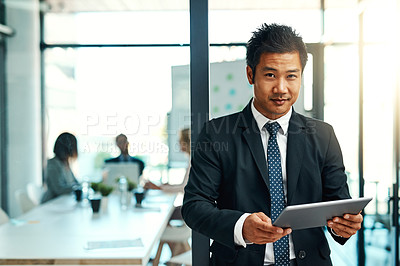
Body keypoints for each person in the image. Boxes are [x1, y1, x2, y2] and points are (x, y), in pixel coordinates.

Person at [181, 23, 363, 266]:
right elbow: (194, 206)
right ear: (250, 74)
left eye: (291, 76)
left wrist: (344, 226)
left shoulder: (323, 135)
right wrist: (241, 226)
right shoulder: (217, 134)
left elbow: (339, 204)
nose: (281, 88)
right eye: (270, 75)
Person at [41, 132, 80, 203]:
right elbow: (58, 189)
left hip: (63, 202)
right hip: (51, 203)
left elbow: (75, 182)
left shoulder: (66, 163)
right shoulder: (53, 164)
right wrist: (76, 187)